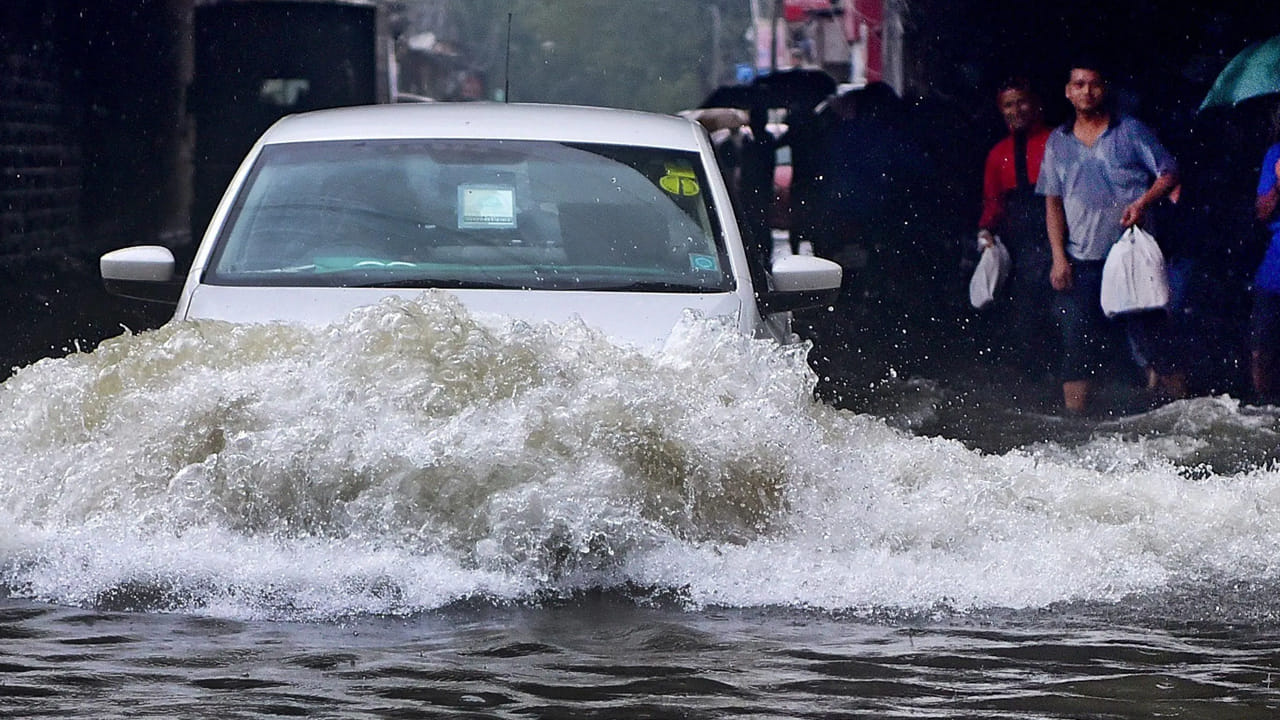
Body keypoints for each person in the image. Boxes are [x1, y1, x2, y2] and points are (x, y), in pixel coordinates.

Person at [1036, 58, 1186, 414]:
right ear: (1068, 92)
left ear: (1104, 89)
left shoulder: (1130, 131)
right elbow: (1053, 204)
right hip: (1082, 258)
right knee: (1077, 344)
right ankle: (1075, 425)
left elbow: (1169, 172)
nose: (1087, 91)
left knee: (1155, 340)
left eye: (1094, 84)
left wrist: (1143, 202)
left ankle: (1186, 414)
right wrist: (1058, 256)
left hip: (1131, 253)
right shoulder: (1058, 142)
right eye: (1079, 84)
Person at [975, 77, 1055, 378]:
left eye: (1021, 102)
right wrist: (985, 232)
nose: (1016, 110)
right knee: (1023, 317)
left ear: (1035, 105)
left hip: (1055, 240)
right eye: (1009, 105)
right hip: (1020, 246)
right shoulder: (997, 154)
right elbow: (992, 202)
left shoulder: (1055, 141)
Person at [1249, 106, 1280, 403]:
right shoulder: (1275, 153)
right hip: (1276, 263)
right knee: (1262, 348)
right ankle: (1265, 409)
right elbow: (1262, 211)